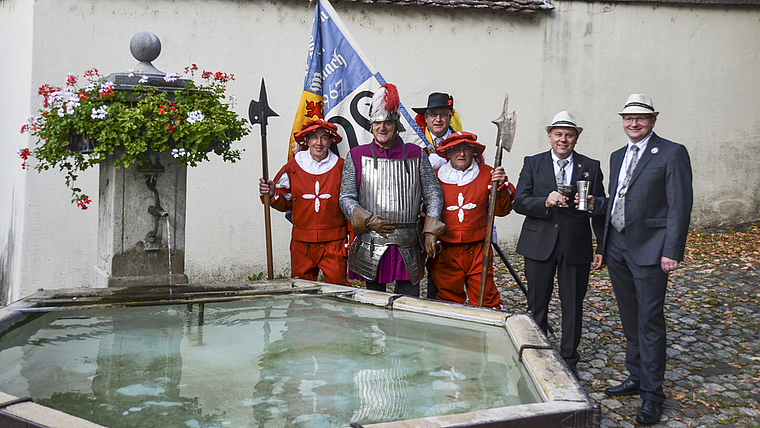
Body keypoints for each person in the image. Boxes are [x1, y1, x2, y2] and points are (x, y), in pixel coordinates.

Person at [595, 94, 693, 425]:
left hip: (651, 249)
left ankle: (653, 394)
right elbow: (618, 198)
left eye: (640, 118)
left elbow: (680, 204)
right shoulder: (616, 156)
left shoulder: (671, 152)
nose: (633, 123)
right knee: (629, 317)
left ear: (652, 120)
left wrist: (672, 250)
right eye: (628, 118)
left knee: (649, 320)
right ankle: (636, 376)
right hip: (618, 247)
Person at [513, 111, 605, 377]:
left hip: (575, 244)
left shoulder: (591, 166)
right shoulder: (533, 163)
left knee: (573, 305)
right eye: (558, 134)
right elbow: (520, 201)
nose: (563, 139)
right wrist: (544, 201)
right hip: (538, 242)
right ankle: (537, 355)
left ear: (576, 138)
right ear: (549, 136)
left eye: (569, 135)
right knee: (537, 303)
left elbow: (598, 208)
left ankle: (569, 358)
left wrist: (602, 247)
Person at [339, 83, 447, 297]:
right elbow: (346, 196)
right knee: (374, 304)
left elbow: (433, 193)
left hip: (408, 243)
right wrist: (367, 219)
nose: (382, 127)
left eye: (387, 122)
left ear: (396, 125)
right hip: (371, 240)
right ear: (371, 125)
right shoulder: (357, 155)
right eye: (377, 123)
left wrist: (431, 231)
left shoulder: (416, 154)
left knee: (409, 302)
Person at [430, 131, 515, 309]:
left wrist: (499, 189)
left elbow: (502, 210)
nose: (462, 154)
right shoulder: (436, 177)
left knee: (486, 301)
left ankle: (485, 335)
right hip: (445, 249)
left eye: (466, 149)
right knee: (448, 300)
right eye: (457, 150)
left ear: (473, 152)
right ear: (449, 153)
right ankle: (453, 336)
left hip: (478, 248)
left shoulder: (489, 174)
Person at [259, 119, 348, 285]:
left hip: (335, 242)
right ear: (307, 141)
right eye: (314, 137)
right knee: (301, 293)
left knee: (338, 292)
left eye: (323, 138)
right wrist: (272, 194)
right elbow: (285, 203)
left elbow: (350, 204)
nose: (318, 143)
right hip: (302, 243)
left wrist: (350, 239)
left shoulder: (342, 166)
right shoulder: (293, 166)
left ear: (330, 141)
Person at [412, 92, 462, 171]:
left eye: (443, 114)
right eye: (433, 114)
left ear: (449, 117)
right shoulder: (415, 142)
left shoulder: (461, 141)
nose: (438, 119)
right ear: (426, 118)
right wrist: (424, 167)